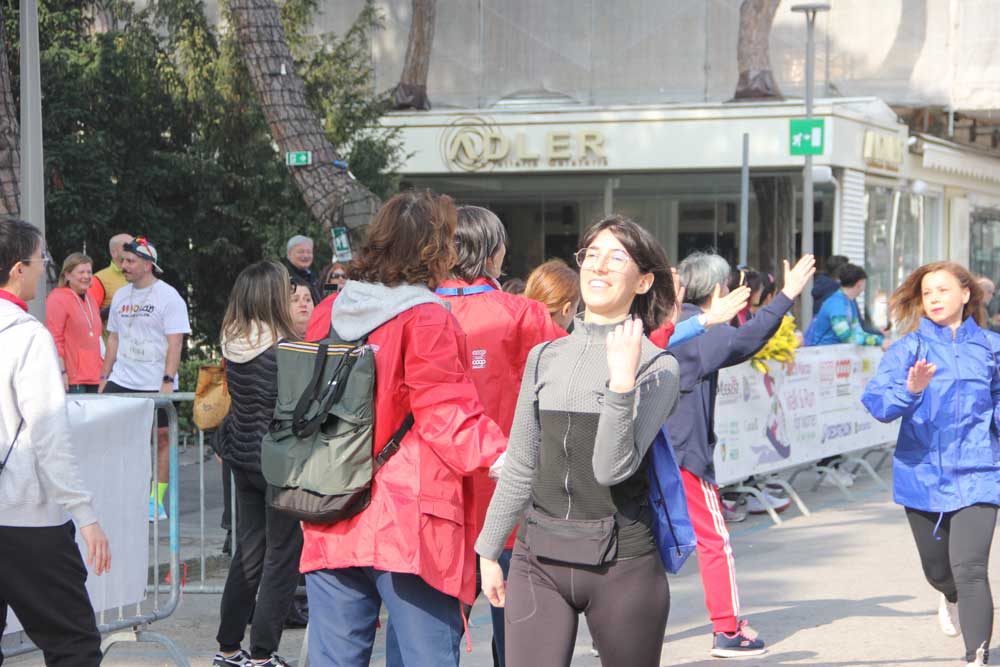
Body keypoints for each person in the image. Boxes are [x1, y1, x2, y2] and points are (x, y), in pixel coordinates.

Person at [301, 190, 506, 667]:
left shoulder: (329, 311)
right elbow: (446, 414)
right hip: (410, 517)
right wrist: (509, 458)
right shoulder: (426, 316)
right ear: (434, 250)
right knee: (425, 657)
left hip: (330, 502)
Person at [476, 214, 682, 667]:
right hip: (538, 558)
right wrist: (489, 550)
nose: (598, 266)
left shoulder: (658, 366)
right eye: (591, 254)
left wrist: (621, 383)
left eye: (617, 258)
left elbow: (610, 469)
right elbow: (522, 462)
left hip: (623, 564)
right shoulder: (545, 355)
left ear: (644, 281)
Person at [388, 205, 564, 667]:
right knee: (522, 648)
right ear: (494, 252)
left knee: (417, 648)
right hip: (511, 508)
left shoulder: (405, 314)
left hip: (429, 508)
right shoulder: (524, 315)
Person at [665, 249, 815, 657]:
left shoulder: (667, 325)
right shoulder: (696, 330)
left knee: (643, 543)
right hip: (683, 453)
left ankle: (617, 627)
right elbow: (745, 341)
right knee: (715, 540)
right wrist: (787, 296)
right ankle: (727, 630)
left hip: (652, 449)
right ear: (718, 289)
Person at [862, 262, 1000, 667]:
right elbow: (878, 404)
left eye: (943, 290)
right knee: (939, 571)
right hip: (921, 473)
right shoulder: (908, 349)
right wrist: (909, 391)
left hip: (980, 470)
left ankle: (977, 657)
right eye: (927, 293)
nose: (934, 299)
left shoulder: (991, 347)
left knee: (971, 567)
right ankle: (948, 593)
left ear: (965, 294)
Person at [0, 218, 111, 667]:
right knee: (74, 645)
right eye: (40, 258)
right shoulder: (27, 336)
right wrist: (85, 515)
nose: (44, 267)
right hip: (25, 516)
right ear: (17, 269)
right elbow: (48, 436)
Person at [212, 261, 303, 667]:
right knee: (281, 555)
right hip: (277, 462)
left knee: (248, 551)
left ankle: (229, 648)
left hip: (242, 455)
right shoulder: (285, 348)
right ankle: (263, 653)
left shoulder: (232, 341)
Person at [99, 237, 191, 523]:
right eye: (123, 261)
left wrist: (168, 379)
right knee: (117, 439)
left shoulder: (168, 297)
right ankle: (123, 494)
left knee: (161, 439)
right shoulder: (121, 297)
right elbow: (113, 338)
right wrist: (105, 376)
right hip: (123, 378)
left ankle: (155, 500)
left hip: (155, 380)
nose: (124, 266)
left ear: (148, 264)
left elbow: (175, 341)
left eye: (130, 261)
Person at [46, 253, 103, 393]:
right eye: (81, 272)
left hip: (95, 376)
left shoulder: (91, 299)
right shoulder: (57, 298)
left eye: (89, 272)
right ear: (67, 275)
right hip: (73, 379)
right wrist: (61, 372)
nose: (86, 276)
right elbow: (55, 339)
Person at [805, 263, 884, 348]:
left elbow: (857, 330)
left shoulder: (850, 302)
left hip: (836, 352)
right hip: (822, 353)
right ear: (859, 284)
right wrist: (878, 341)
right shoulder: (836, 303)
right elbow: (845, 336)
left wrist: (879, 339)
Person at [87, 233, 133, 326]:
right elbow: (88, 318)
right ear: (114, 252)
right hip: (111, 335)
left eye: (134, 247)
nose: (133, 251)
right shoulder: (99, 279)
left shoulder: (141, 275)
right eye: (127, 247)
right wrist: (114, 308)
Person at [524, 258, 581, 332]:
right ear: (566, 310)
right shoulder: (561, 339)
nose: (575, 312)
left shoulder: (512, 330)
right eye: (576, 308)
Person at [282, 235, 322, 305]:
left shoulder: (312, 275)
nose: (305, 256)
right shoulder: (284, 277)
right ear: (289, 254)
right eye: (301, 252)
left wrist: (336, 284)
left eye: (309, 252)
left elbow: (323, 286)